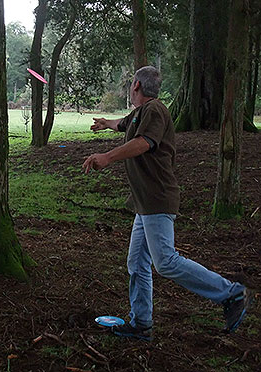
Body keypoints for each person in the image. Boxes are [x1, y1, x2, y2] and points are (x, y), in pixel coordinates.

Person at [82, 66, 254, 341]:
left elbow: (144, 142)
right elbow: (124, 125)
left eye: (131, 84)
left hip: (158, 198)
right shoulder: (140, 113)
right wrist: (106, 122)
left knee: (165, 261)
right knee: (137, 263)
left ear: (136, 85)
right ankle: (141, 324)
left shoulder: (155, 111)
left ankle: (231, 293)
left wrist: (108, 156)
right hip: (144, 203)